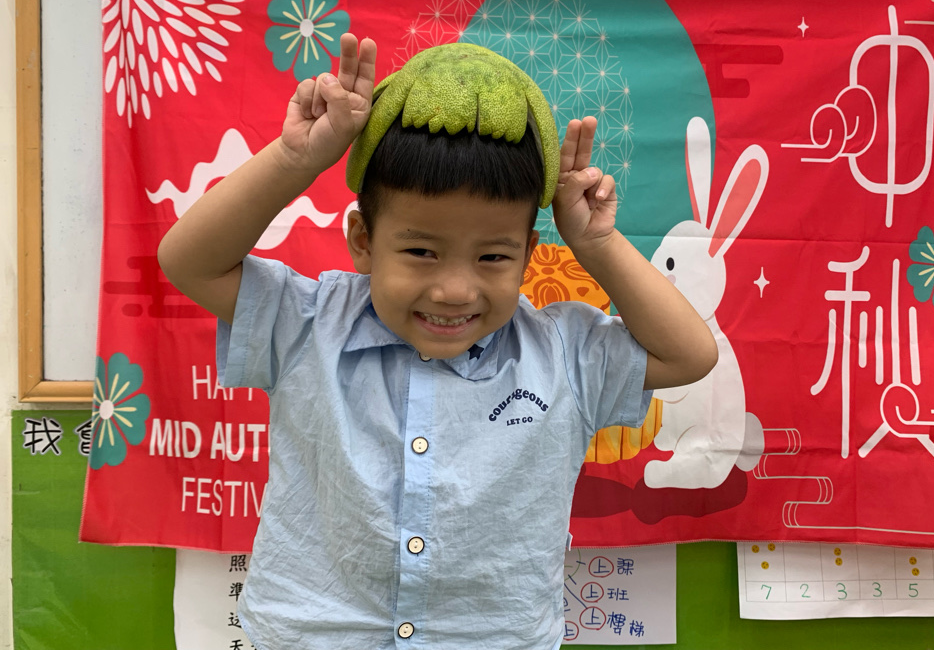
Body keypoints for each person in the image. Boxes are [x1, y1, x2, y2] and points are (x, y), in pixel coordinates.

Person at [158, 32, 718, 650]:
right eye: (422, 251)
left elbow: (689, 354)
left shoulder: (563, 354)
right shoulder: (308, 322)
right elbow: (188, 261)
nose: (455, 290)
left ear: (528, 255)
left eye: (493, 256)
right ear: (363, 241)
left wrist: (597, 243)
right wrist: (296, 160)